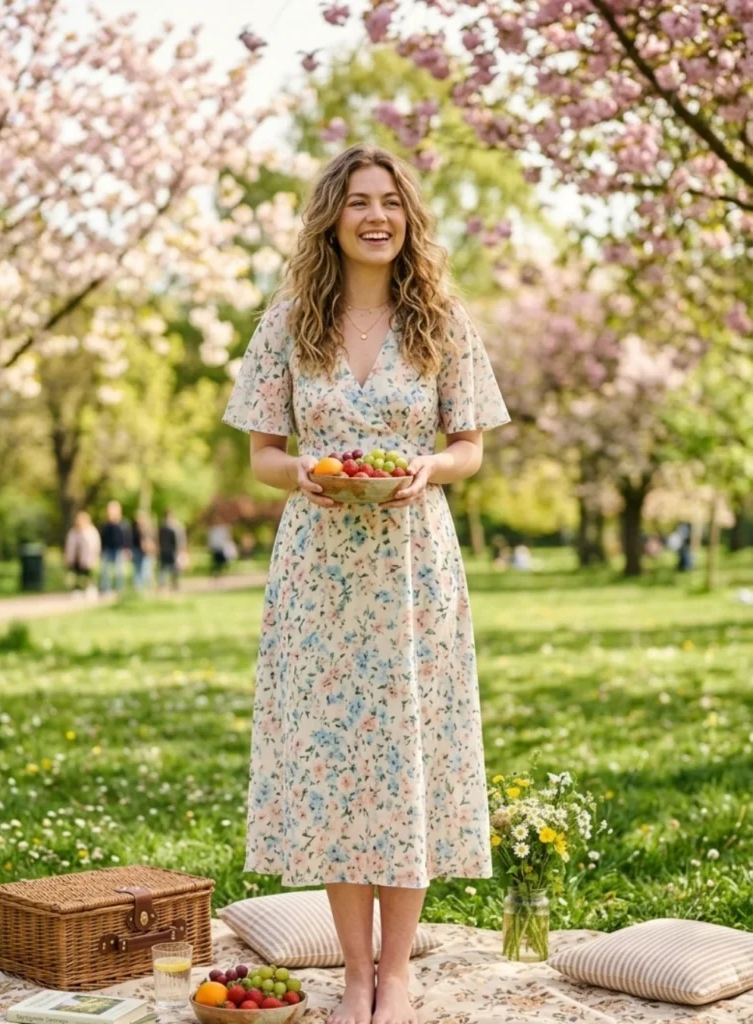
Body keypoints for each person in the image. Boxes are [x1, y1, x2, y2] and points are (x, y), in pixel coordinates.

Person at [221, 144, 511, 1024]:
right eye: (357, 202)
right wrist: (307, 470)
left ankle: (399, 975)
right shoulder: (287, 323)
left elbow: (471, 447)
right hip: (318, 573)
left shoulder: (442, 321)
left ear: (407, 217)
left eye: (389, 200)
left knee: (406, 757)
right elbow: (262, 455)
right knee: (339, 766)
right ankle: (355, 973)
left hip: (413, 567)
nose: (375, 215)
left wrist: (428, 465)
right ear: (332, 219)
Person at [63, 510, 101, 596]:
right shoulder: (73, 532)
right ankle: (78, 590)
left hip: (87, 558)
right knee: (77, 575)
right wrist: (69, 558)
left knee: (88, 575)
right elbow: (69, 546)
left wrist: (94, 558)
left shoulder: (91, 531)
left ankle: (91, 589)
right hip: (76, 558)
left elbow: (95, 546)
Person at [98, 500, 131, 594]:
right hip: (108, 549)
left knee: (119, 571)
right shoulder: (106, 524)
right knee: (105, 571)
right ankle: (105, 589)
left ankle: (120, 589)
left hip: (119, 549)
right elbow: (103, 537)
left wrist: (127, 549)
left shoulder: (123, 523)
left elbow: (127, 537)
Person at [157, 509, 188, 591]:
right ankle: (164, 585)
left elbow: (180, 540)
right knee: (164, 569)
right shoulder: (164, 527)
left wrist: (181, 551)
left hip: (173, 551)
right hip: (167, 551)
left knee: (173, 569)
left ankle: (173, 585)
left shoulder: (176, 527)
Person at [130, 511, 153, 590]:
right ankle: (138, 587)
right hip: (137, 551)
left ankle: (146, 586)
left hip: (146, 552)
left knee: (146, 569)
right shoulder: (134, 529)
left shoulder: (147, 529)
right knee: (137, 569)